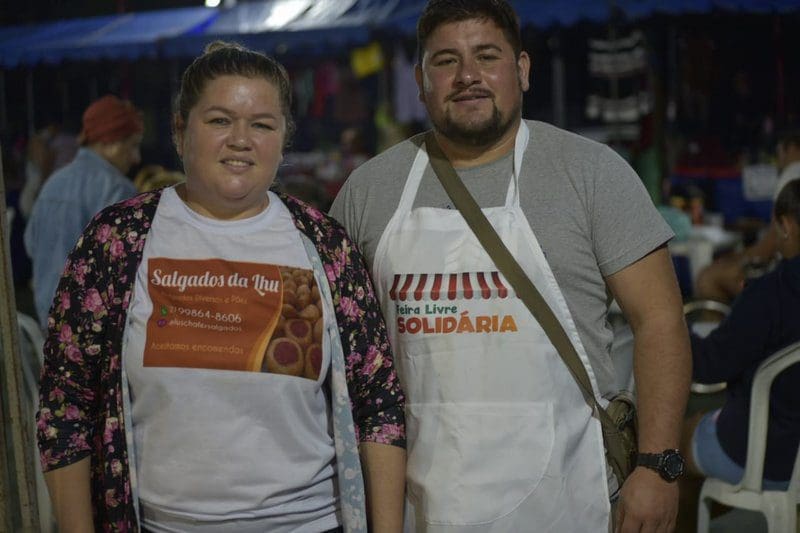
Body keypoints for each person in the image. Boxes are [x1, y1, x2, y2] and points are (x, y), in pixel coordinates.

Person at [329, 0, 691, 531]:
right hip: (414, 506)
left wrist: (658, 467)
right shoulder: (370, 190)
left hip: (570, 499)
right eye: (446, 60)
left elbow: (660, 321)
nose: (467, 76)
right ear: (421, 79)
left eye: (486, 56)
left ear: (521, 69)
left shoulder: (591, 174)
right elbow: (342, 351)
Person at [36, 41, 406, 532]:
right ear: (179, 130)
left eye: (262, 124)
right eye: (218, 120)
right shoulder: (118, 241)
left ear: (282, 139)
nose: (240, 139)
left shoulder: (323, 245)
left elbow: (377, 401)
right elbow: (66, 407)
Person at [678, 179, 800, 529]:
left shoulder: (770, 292)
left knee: (670, 445)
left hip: (769, 456)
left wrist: (675, 331)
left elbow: (709, 367)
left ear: (787, 225)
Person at [24, 95, 143, 329]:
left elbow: (30, 245)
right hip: (96, 340)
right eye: (132, 146)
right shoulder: (117, 187)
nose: (136, 158)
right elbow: (127, 268)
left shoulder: (53, 184)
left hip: (50, 334)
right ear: (109, 142)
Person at [693, 129, 800, 304]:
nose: (779, 160)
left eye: (781, 151)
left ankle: (732, 328)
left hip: (784, 280)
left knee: (707, 278)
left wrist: (735, 259)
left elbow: (769, 246)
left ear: (793, 148)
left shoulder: (792, 174)